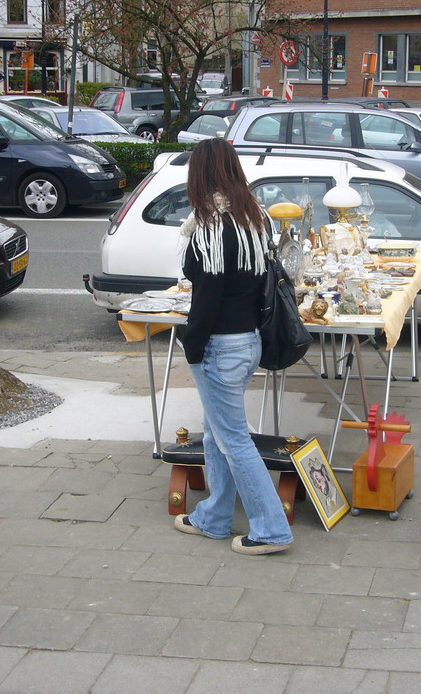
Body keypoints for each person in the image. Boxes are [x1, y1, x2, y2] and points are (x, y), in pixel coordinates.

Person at [172, 138, 294, 556]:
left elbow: (207, 296)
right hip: (248, 340)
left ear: (199, 175)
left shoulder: (210, 227)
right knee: (217, 434)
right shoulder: (252, 219)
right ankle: (215, 517)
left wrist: (192, 343)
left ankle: (272, 529)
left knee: (233, 439)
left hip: (220, 346)